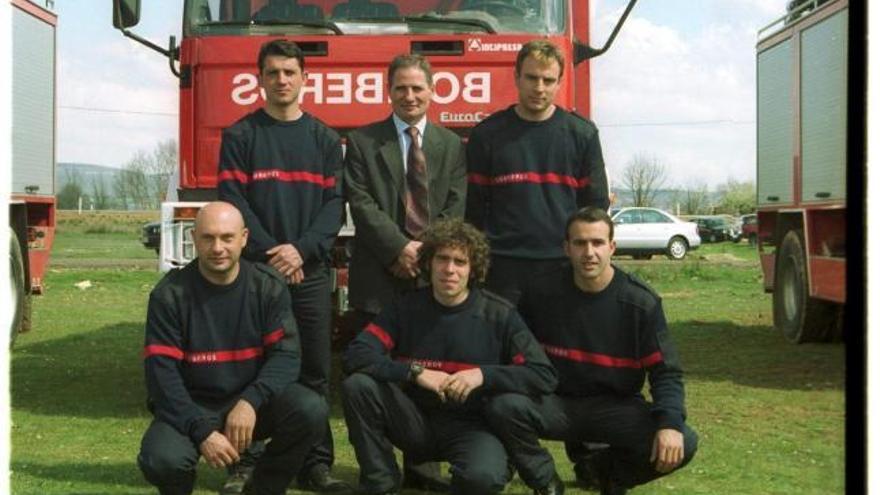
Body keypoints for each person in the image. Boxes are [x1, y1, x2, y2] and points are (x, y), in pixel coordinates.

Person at [484, 207, 699, 495]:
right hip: (554, 403)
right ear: (566, 248)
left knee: (684, 440)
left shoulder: (640, 303)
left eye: (597, 243)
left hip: (615, 407)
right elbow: (512, 351)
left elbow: (666, 372)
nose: (589, 252)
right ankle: (545, 479)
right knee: (502, 406)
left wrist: (670, 423)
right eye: (580, 243)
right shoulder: (540, 293)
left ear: (612, 247)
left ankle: (606, 473)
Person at [342, 218, 561, 495]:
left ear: (473, 269)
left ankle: (496, 463)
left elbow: (543, 374)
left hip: (474, 426)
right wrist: (416, 373)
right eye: (442, 259)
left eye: (460, 262)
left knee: (481, 480)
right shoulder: (405, 309)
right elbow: (357, 355)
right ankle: (381, 484)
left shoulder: (499, 315)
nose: (450, 270)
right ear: (428, 263)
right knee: (358, 386)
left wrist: (483, 375)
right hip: (415, 420)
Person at [217, 40, 346, 492]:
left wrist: (302, 251)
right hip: (256, 274)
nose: (282, 80)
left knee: (314, 369)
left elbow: (334, 206)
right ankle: (246, 462)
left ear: (304, 78)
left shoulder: (326, 140)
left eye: (290, 72)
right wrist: (274, 252)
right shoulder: (240, 137)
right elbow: (234, 204)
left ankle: (316, 464)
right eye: (273, 72)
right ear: (261, 79)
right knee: (252, 368)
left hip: (308, 273)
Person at [137, 202, 327, 495]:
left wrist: (251, 401)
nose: (218, 247)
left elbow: (287, 357)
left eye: (227, 237)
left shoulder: (268, 287)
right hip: (194, 403)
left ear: (244, 238)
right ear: (193, 238)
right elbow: (161, 376)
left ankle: (262, 487)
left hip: (250, 403)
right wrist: (201, 431)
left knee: (310, 409)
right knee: (161, 459)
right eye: (208, 237)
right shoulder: (169, 295)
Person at [342, 53, 467, 489]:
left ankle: (422, 464)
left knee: (423, 365)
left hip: (430, 279)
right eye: (401, 88)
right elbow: (360, 202)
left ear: (432, 91)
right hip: (379, 275)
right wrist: (399, 247)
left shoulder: (451, 145)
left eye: (418, 88)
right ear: (388, 91)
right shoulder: (361, 142)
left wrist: (427, 254)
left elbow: (454, 205)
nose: (410, 96)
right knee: (371, 372)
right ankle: (377, 470)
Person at [465, 40, 610, 305]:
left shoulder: (583, 135)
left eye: (548, 80)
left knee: (555, 347)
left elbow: (595, 206)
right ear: (517, 77)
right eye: (532, 78)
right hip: (501, 271)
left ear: (559, 82)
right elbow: (472, 209)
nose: (539, 88)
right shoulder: (486, 135)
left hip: (562, 267)